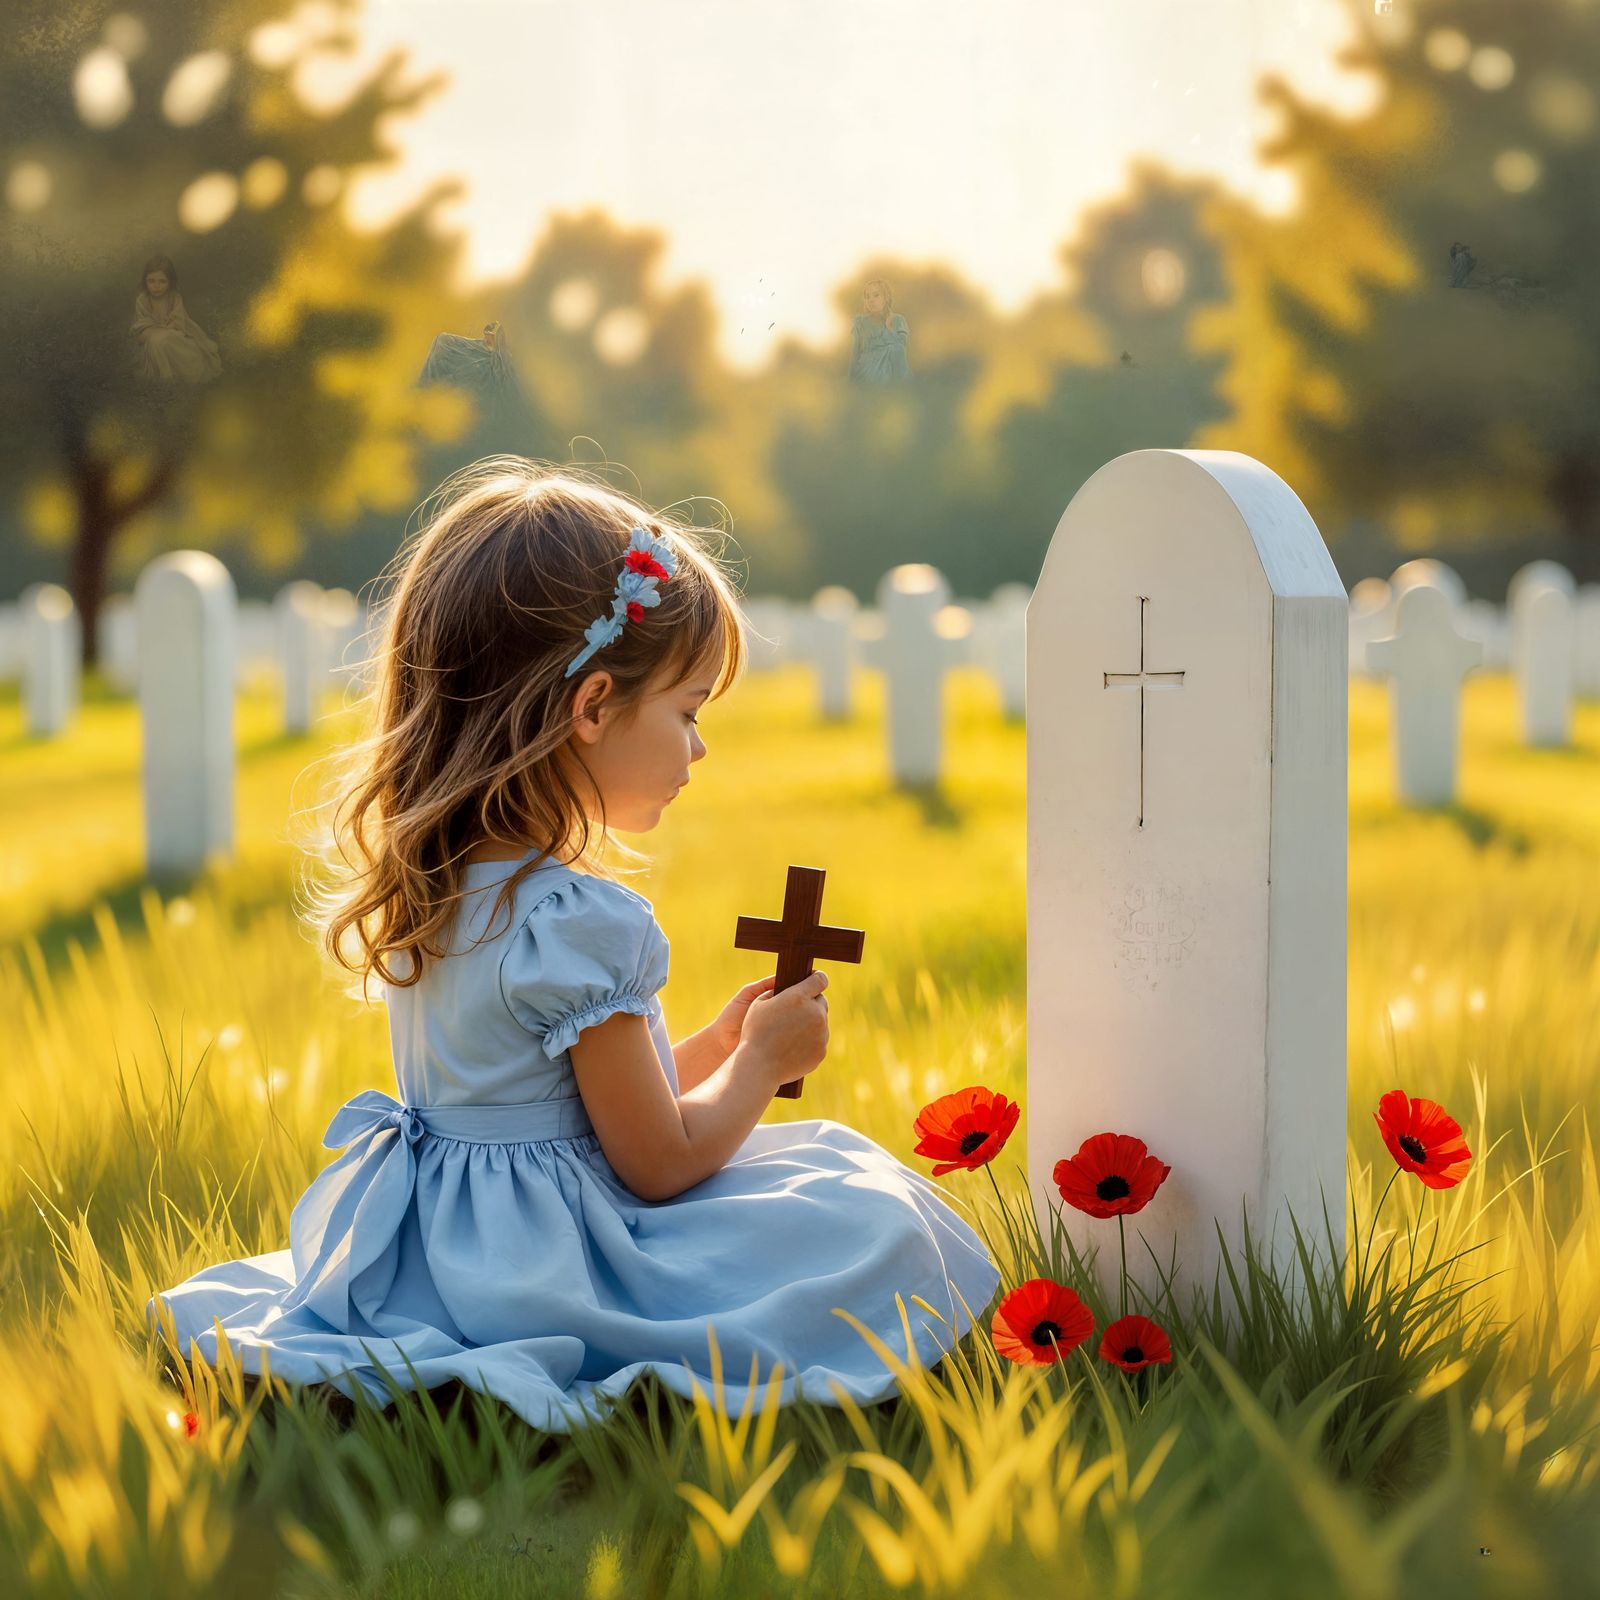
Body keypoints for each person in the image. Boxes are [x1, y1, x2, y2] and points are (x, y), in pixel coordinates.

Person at [149, 457, 999, 1434]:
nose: (699, 748)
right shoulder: (578, 921)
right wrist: (763, 1063)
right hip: (556, 1261)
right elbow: (656, 1162)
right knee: (859, 1200)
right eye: (684, 713)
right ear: (591, 707)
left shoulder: (438, 885)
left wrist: (714, 1049)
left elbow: (559, 1111)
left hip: (443, 1248)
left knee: (826, 1181)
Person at [130, 255, 222, 383]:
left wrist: (160, 330)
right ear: (145, 281)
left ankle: (181, 376)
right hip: (153, 336)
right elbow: (143, 327)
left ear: (170, 282)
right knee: (155, 341)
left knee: (163, 341)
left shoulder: (174, 297)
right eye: (151, 281)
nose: (156, 286)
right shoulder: (142, 300)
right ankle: (165, 378)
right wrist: (154, 331)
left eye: (162, 281)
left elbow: (177, 323)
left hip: (177, 334)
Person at [848, 277, 911, 384]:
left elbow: (902, 347)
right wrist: (851, 378)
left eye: (876, 295)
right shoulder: (861, 323)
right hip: (867, 371)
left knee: (895, 349)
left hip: (890, 370)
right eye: (867, 297)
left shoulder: (897, 320)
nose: (871, 300)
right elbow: (856, 353)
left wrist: (888, 327)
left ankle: (897, 388)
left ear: (886, 298)